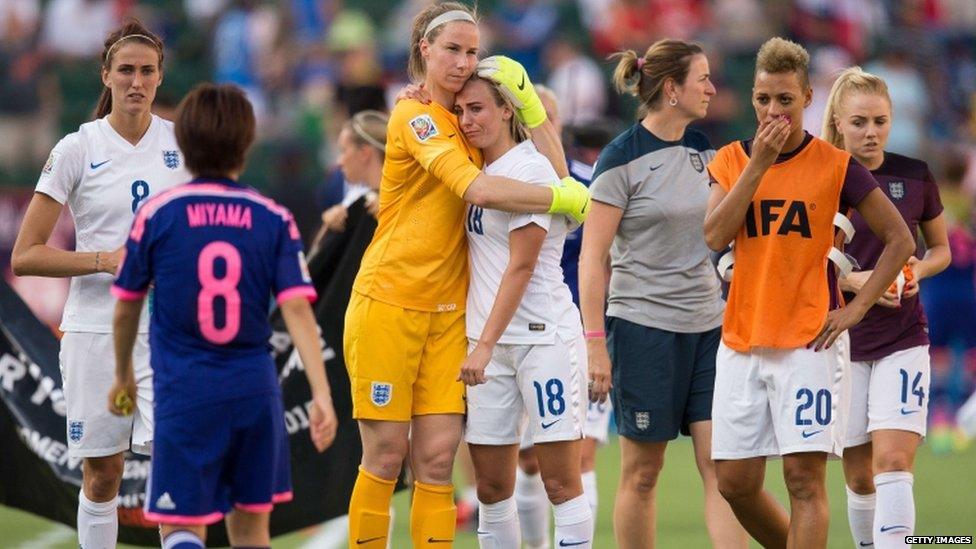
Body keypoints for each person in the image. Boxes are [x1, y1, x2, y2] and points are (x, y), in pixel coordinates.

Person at [342, 4, 591, 548]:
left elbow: (537, 160)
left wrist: (531, 107)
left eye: (472, 51)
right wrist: (562, 196)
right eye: (452, 49)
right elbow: (478, 191)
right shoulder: (415, 116)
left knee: (435, 461)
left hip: (451, 315)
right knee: (386, 456)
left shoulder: (467, 120)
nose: (463, 61)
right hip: (391, 301)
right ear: (424, 50)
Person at [703, 37, 915, 548]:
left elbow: (900, 240)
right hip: (741, 338)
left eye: (785, 99)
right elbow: (713, 235)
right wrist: (760, 164)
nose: (772, 110)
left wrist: (857, 309)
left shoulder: (836, 166)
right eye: (763, 99)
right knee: (734, 483)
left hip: (810, 342)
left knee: (803, 481)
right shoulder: (733, 159)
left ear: (807, 98)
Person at [107, 83, 338, 549]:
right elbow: (296, 309)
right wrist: (321, 392)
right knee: (251, 529)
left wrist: (124, 375)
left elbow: (125, 307)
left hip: (184, 391)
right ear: (247, 143)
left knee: (180, 526)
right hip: (253, 390)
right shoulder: (272, 216)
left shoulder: (157, 214)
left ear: (183, 143)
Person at [10, 20, 189, 549]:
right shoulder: (76, 148)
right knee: (104, 472)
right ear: (106, 75)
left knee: (173, 465)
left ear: (160, 78)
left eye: (147, 71)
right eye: (126, 70)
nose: (137, 81)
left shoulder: (183, 146)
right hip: (95, 330)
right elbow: (25, 255)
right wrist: (103, 260)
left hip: (165, 332)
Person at [579, 39, 748, 549]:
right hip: (642, 330)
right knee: (643, 474)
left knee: (724, 469)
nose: (712, 89)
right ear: (672, 89)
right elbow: (593, 259)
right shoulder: (620, 158)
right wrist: (594, 344)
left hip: (709, 328)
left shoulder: (709, 152)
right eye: (703, 79)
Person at [456, 70, 593, 548]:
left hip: (542, 339)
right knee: (492, 488)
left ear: (506, 110)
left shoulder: (531, 169)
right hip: (488, 344)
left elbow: (521, 266)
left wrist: (484, 347)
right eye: (461, 110)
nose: (467, 120)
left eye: (477, 109)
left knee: (560, 483)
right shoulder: (475, 168)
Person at [821, 67, 951, 548]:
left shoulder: (914, 173)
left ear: (892, 120)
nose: (870, 132)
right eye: (859, 122)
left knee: (893, 462)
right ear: (838, 119)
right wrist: (856, 279)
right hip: (842, 340)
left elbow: (940, 249)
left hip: (902, 337)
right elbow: (798, 258)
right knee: (859, 478)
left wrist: (913, 270)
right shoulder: (821, 177)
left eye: (879, 120)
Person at [513, 87, 615, 549]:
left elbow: (609, 258)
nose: (539, 125)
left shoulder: (584, 185)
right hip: (515, 336)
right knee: (529, 463)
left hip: (579, 334)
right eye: (532, 115)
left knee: (579, 457)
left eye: (547, 116)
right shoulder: (497, 180)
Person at [312, 110, 388, 249]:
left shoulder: (404, 200)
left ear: (364, 153)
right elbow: (314, 262)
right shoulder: (353, 200)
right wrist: (327, 226)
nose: (339, 162)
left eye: (343, 151)